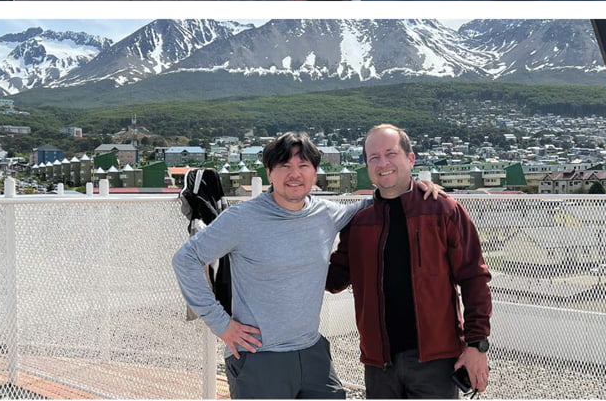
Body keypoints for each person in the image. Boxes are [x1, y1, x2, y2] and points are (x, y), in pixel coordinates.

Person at [173, 132, 443, 399]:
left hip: (312, 351)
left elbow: (376, 201)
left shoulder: (326, 213)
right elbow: (185, 259)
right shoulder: (241, 219)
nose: (295, 174)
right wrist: (220, 323)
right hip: (259, 355)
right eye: (285, 166)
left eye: (303, 166)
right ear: (269, 173)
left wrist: (414, 187)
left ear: (315, 173)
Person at [326, 124, 492, 398]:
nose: (383, 163)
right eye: (374, 157)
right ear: (367, 166)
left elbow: (474, 278)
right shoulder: (358, 223)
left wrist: (477, 345)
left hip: (436, 362)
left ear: (410, 158)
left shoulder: (443, 210)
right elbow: (334, 280)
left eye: (391, 153)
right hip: (379, 364)